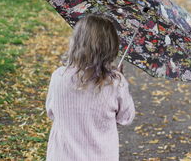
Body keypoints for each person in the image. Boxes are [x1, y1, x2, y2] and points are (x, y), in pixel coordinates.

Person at [45, 15, 135, 161]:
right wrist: (120, 81)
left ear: (76, 42)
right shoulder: (115, 83)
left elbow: (51, 112)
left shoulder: (58, 76)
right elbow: (126, 118)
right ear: (111, 47)